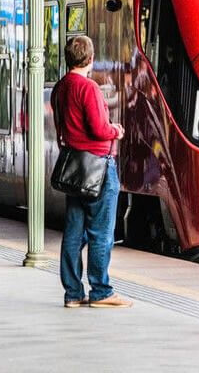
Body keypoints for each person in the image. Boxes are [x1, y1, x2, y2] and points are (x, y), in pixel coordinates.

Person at [51, 35, 131, 308]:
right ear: (90, 59)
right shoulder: (89, 88)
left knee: (74, 233)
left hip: (75, 168)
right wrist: (115, 131)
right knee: (101, 233)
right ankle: (101, 291)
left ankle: (73, 293)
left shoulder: (60, 88)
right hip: (98, 166)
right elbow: (99, 129)